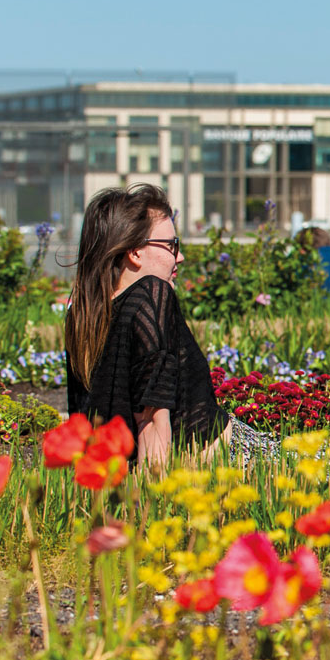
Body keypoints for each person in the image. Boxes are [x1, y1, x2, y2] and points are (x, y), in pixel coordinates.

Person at [65, 184, 278, 471]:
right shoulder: (151, 296)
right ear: (135, 252)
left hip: (117, 478)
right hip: (240, 462)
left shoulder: (84, 314)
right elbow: (152, 420)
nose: (180, 257)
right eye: (171, 245)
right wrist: (154, 506)